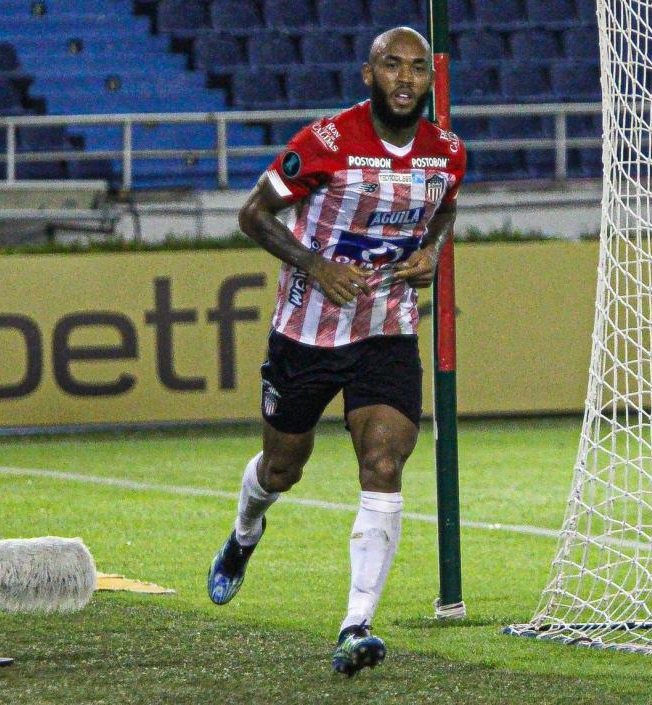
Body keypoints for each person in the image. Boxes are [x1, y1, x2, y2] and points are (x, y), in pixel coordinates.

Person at [207, 26, 467, 677]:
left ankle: (356, 624)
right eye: (391, 66)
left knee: (384, 459)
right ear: (368, 73)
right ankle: (244, 533)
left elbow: (444, 207)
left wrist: (431, 252)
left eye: (415, 69)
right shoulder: (326, 142)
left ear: (427, 81)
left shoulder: (449, 153)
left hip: (386, 328)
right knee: (282, 466)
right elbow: (253, 214)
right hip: (307, 331)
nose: (404, 79)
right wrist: (315, 264)